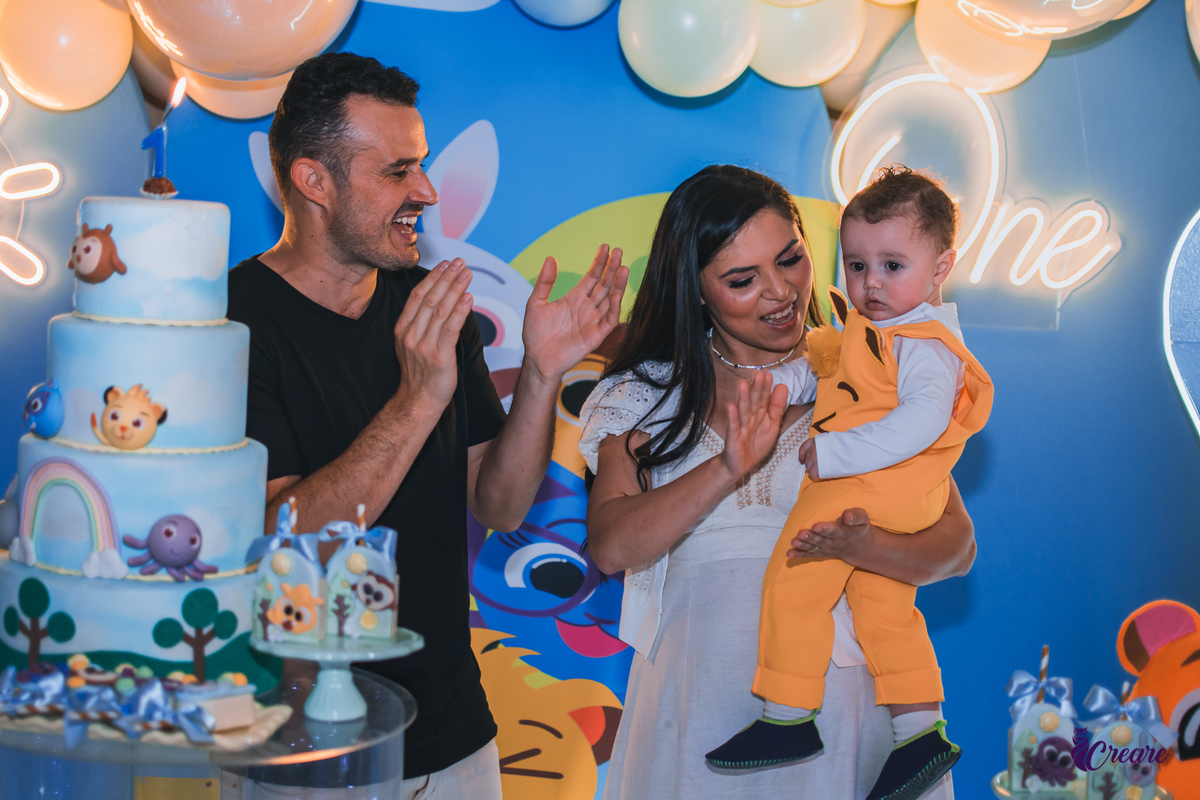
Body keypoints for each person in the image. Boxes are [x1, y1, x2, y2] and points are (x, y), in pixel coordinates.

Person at [227, 52, 627, 799]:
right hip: (305, 745)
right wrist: (416, 398)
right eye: (397, 171)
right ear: (314, 181)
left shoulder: (432, 309)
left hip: (453, 736)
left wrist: (541, 375)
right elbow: (288, 539)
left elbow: (500, 504)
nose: (427, 191)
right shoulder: (232, 324)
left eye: (425, 165)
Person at [579, 165, 974, 799]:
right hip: (695, 699)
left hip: (846, 708)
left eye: (791, 260)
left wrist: (856, 548)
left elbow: (956, 546)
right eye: (742, 279)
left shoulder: (871, 372)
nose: (780, 292)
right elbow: (613, 546)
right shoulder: (644, 395)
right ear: (696, 289)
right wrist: (728, 466)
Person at [707, 166, 993, 800]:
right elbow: (844, 375)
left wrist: (836, 453)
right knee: (882, 605)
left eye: (893, 265)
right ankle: (921, 730)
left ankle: (787, 713)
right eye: (857, 265)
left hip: (874, 476)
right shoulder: (881, 330)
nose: (871, 284)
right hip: (900, 489)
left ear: (941, 267)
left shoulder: (925, 340)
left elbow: (919, 420)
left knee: (796, 573)